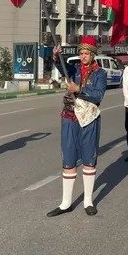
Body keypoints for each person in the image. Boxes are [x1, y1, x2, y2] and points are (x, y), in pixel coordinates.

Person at [48, 36, 107, 217]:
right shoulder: (73, 70)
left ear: (92, 54)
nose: (83, 56)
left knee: (89, 160)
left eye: (86, 53)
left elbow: (98, 96)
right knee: (68, 160)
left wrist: (79, 90)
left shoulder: (100, 73)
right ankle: (66, 203)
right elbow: (61, 67)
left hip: (88, 120)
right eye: (81, 53)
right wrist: (57, 57)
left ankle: (88, 201)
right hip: (69, 118)